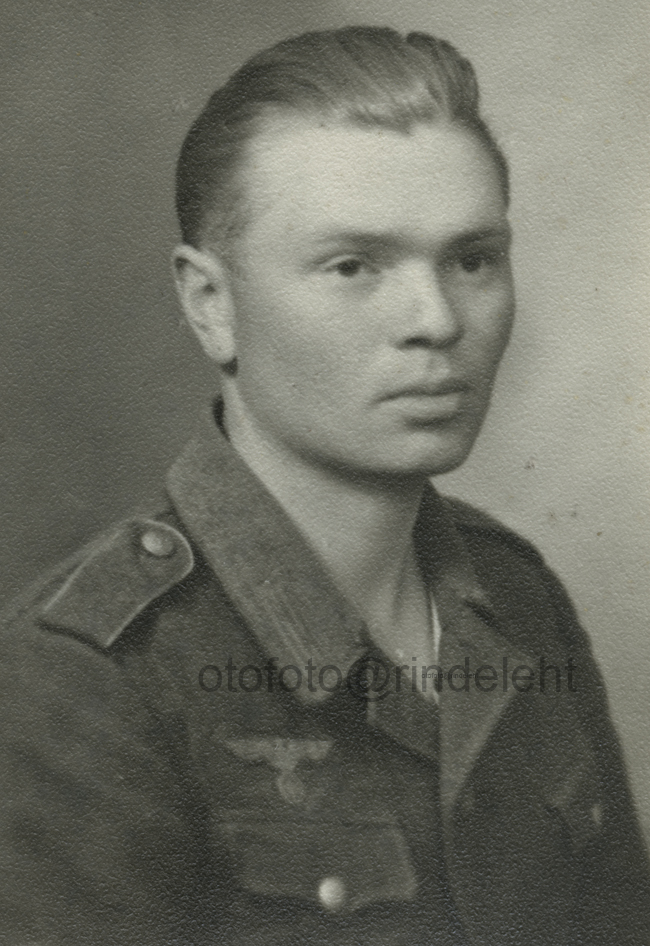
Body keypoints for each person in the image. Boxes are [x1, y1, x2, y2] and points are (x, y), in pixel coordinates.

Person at [0, 25, 648, 946]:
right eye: (353, 266)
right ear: (210, 304)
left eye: (472, 259)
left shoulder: (517, 597)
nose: (436, 320)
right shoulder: (83, 678)